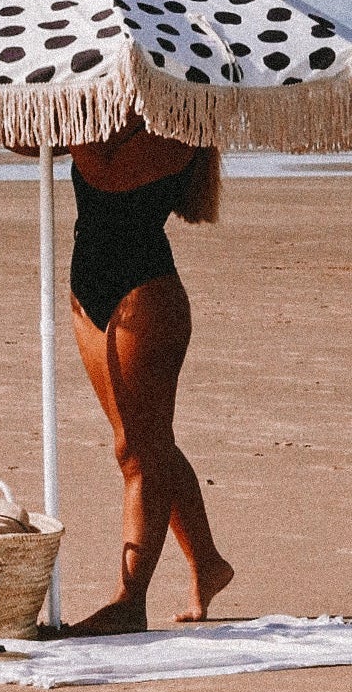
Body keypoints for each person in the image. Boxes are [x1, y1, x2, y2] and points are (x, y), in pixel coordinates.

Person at [12, 117, 233, 635]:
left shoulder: (179, 125)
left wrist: (65, 120)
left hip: (146, 292)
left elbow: (109, 167)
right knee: (143, 443)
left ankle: (129, 602)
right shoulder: (93, 116)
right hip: (86, 291)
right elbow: (25, 141)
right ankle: (207, 561)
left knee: (137, 449)